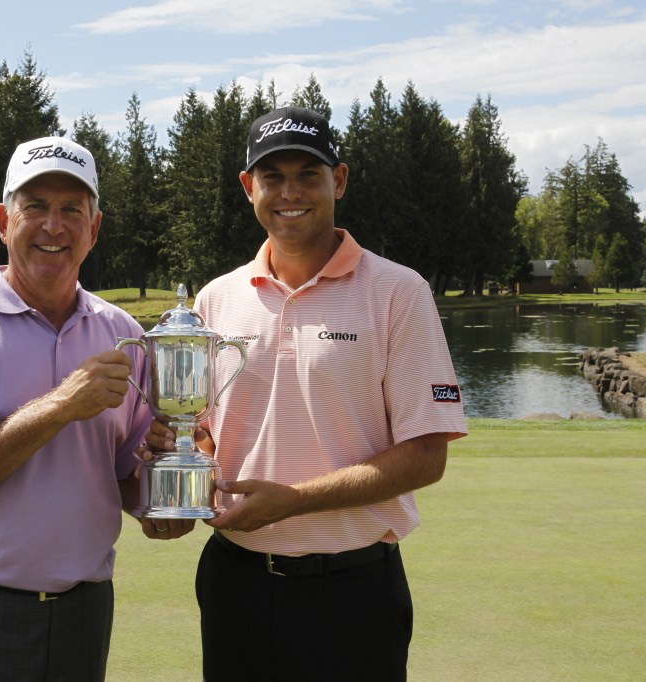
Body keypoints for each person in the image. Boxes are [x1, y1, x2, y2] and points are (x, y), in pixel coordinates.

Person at [147, 106, 468, 680]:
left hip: (354, 592)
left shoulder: (397, 290)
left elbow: (427, 454)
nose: (289, 192)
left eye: (308, 174)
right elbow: (202, 430)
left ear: (337, 181)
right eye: (272, 177)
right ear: (249, 188)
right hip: (235, 585)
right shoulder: (216, 301)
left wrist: (293, 500)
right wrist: (176, 469)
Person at [0, 135, 189, 682]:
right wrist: (60, 405)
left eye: (71, 210)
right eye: (34, 206)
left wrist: (162, 503)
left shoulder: (124, 335)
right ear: (3, 221)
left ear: (94, 228)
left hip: (82, 613)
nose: (53, 225)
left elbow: (127, 475)